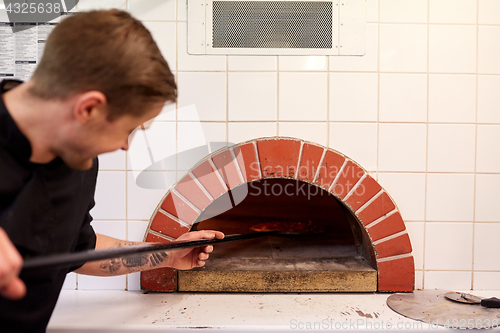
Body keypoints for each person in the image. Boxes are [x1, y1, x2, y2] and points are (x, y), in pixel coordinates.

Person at [0, 9, 224, 332]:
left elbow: (80, 250)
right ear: (89, 108)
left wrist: (166, 254)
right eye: (129, 129)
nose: (125, 146)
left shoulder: (79, 163)